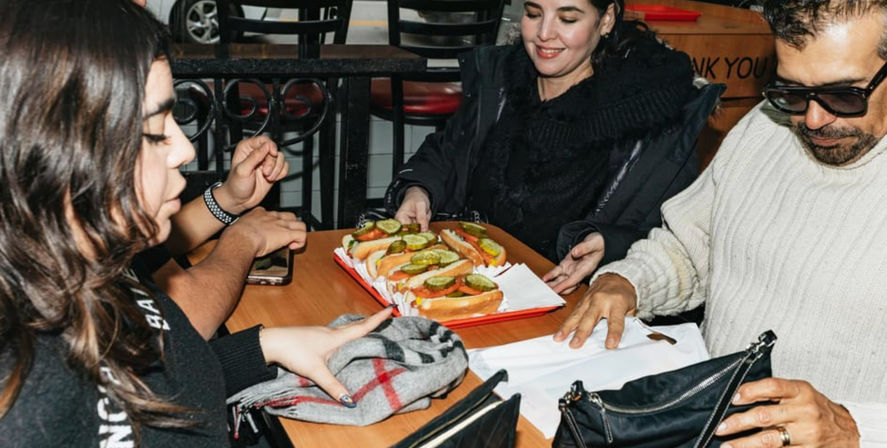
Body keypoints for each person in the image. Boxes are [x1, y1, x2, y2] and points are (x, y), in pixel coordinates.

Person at [0, 1, 392, 446]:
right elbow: (180, 318)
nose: (186, 151)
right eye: (153, 130)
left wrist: (264, 347)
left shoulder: (84, 261)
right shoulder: (25, 405)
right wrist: (241, 237)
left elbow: (158, 385)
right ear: (57, 150)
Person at [555, 0, 887, 445]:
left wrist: (855, 427)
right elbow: (694, 246)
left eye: (844, 95)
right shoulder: (764, 127)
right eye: (791, 91)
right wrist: (629, 281)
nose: (812, 119)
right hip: (701, 423)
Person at [384, 0, 723, 294]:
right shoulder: (502, 78)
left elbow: (676, 237)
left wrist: (609, 244)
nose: (544, 33)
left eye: (568, 18)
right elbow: (448, 151)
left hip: (565, 302)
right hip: (467, 277)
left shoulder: (651, 114)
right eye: (534, 13)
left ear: (605, 20)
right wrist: (420, 189)